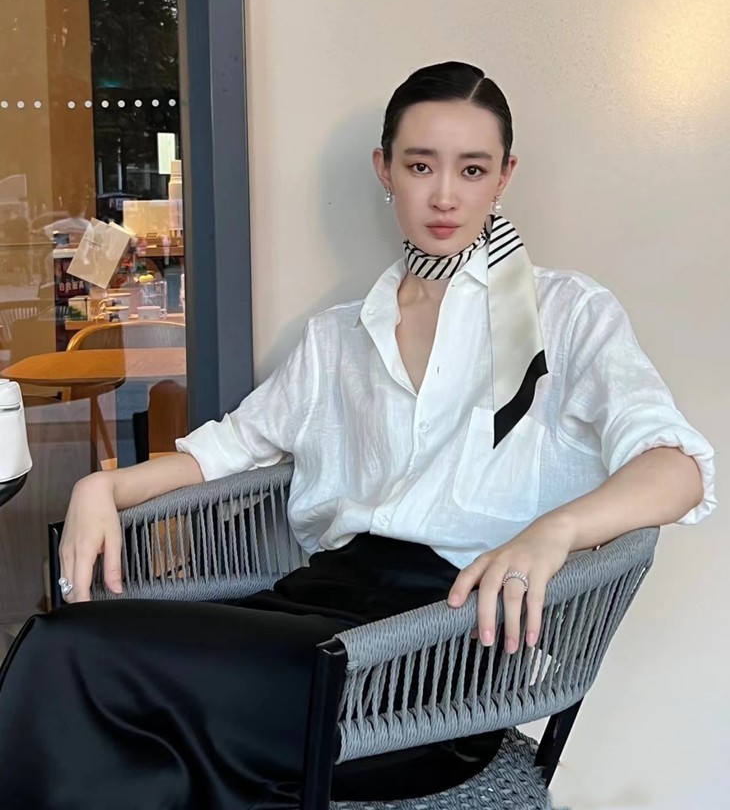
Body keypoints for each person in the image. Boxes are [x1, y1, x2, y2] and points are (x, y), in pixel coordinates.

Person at [0, 63, 715, 809]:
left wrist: (553, 532)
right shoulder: (338, 336)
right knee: (120, 725)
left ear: (504, 177)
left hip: (437, 662)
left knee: (70, 658)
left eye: (472, 169)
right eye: (420, 166)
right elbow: (228, 448)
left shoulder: (567, 313)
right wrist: (102, 486)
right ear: (385, 170)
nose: (445, 195)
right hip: (311, 612)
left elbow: (677, 467)